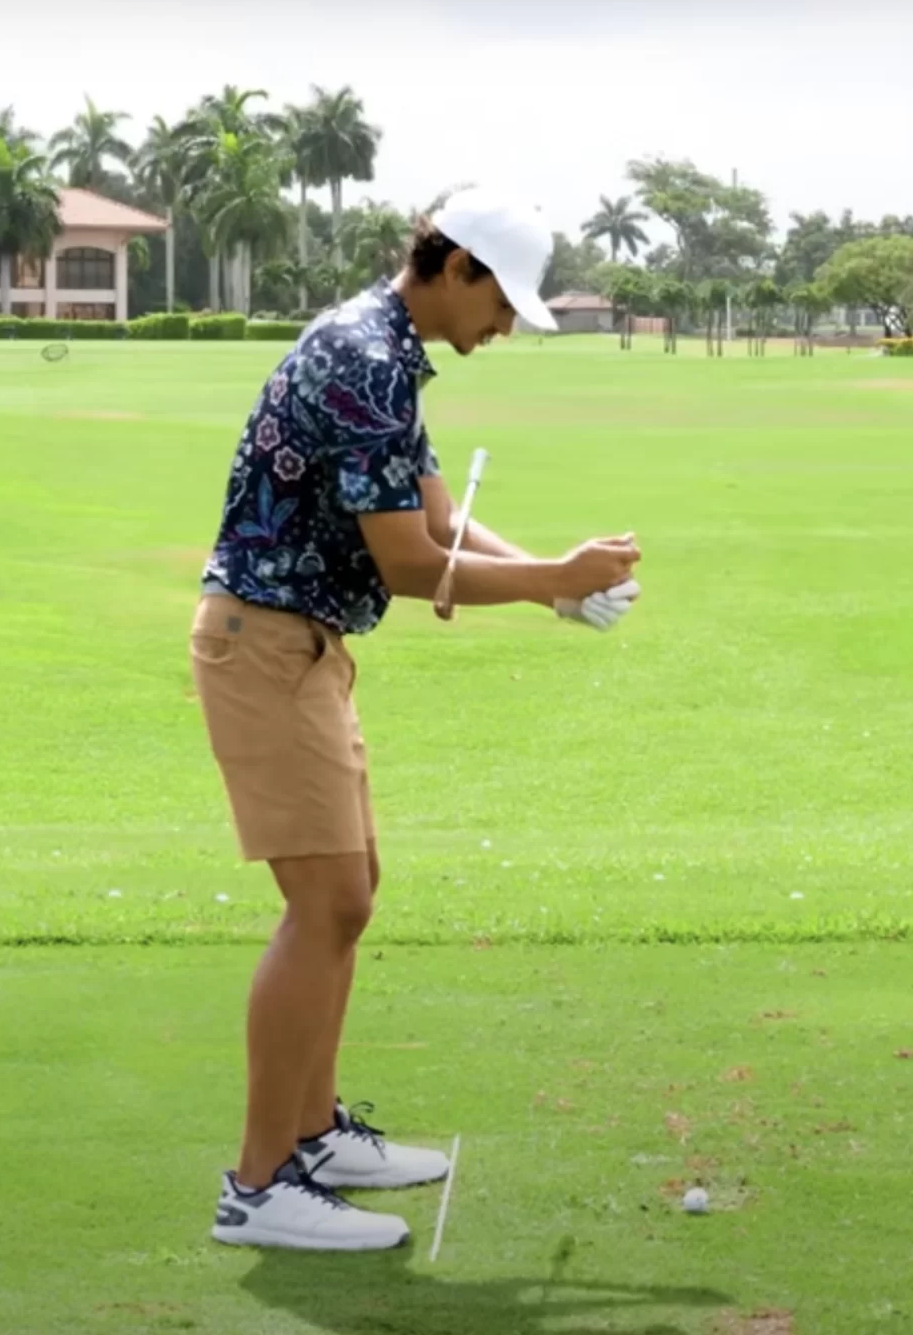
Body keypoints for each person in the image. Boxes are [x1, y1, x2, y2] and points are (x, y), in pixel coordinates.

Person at [189, 186, 646, 1250]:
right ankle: (259, 1186)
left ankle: (311, 1134)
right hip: (263, 644)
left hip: (302, 645)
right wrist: (546, 584)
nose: (503, 329)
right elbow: (404, 565)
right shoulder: (365, 357)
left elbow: (438, 519)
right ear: (455, 268)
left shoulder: (389, 352)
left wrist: (558, 580)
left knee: (350, 898)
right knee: (326, 905)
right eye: (500, 306)